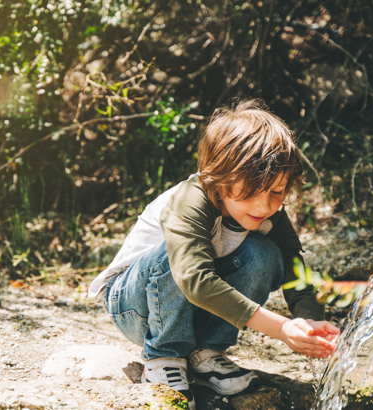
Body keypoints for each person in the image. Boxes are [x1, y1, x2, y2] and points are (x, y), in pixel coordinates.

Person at [87, 99, 340, 409]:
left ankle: (206, 353)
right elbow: (194, 280)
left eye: (277, 191)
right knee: (177, 257)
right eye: (251, 190)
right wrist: (281, 329)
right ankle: (164, 354)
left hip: (192, 310)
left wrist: (309, 319)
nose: (264, 205)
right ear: (220, 177)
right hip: (134, 306)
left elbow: (292, 264)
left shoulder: (268, 213)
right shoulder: (189, 201)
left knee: (267, 254)